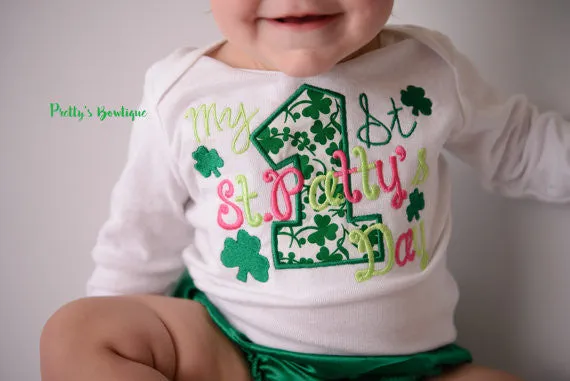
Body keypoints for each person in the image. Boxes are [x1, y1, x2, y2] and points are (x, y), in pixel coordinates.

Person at [40, 1, 570, 380]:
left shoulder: (430, 69)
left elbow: (519, 146)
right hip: (231, 350)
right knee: (76, 333)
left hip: (408, 367)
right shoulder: (181, 92)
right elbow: (140, 233)